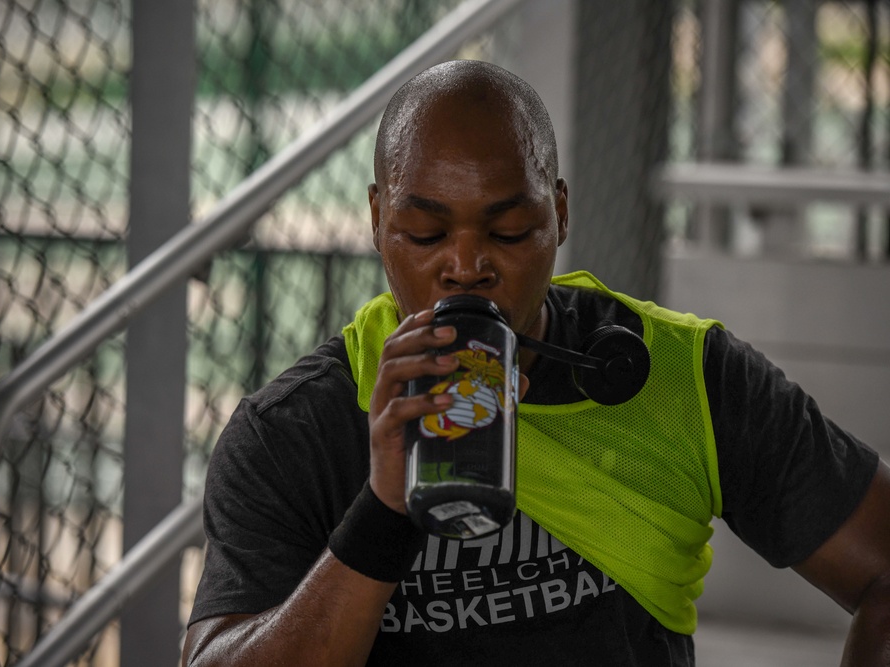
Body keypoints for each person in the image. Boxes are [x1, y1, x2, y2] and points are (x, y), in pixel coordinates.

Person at [183, 60, 890, 666]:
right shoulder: (294, 430)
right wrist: (383, 510)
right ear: (376, 219)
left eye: (510, 230)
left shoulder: (675, 375)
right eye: (425, 232)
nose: (465, 265)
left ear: (559, 213)